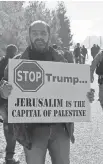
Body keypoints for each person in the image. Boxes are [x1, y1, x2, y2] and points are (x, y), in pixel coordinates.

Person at [1, 20, 95, 164]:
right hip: (31, 131)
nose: (39, 37)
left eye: (43, 33)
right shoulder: (17, 63)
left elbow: (73, 89)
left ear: (49, 36)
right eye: (35, 33)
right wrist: (4, 92)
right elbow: (4, 91)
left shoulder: (62, 60)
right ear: (29, 36)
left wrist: (85, 95)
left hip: (60, 128)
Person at [0, 44, 19, 164]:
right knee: (11, 128)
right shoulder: (15, 64)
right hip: (9, 101)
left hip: (1, 101)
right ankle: (9, 157)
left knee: (7, 125)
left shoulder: (1, 61)